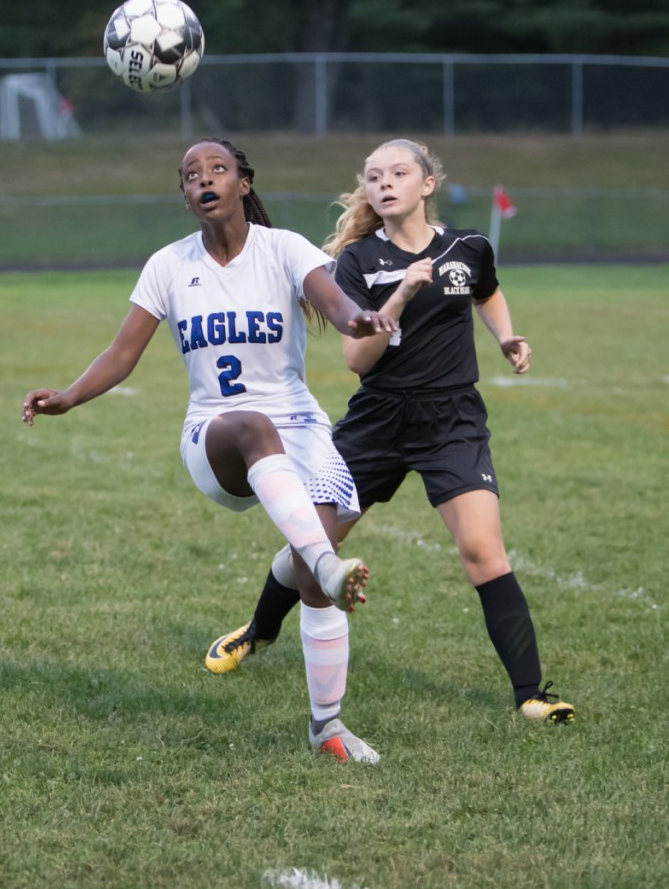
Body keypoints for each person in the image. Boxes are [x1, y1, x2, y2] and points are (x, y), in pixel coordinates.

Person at [22, 136, 402, 763]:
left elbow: (333, 301)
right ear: (186, 195)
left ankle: (327, 727)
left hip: (302, 428)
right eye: (190, 174)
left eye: (217, 169)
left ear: (242, 185)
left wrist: (356, 319)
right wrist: (67, 396)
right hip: (216, 437)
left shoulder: (283, 249)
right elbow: (122, 354)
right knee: (254, 429)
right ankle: (326, 566)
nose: (203, 179)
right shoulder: (169, 265)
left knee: (312, 570)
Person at [207, 138, 575, 726]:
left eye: (399, 173)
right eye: (374, 176)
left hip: (451, 420)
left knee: (483, 551)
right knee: (317, 543)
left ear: (427, 184)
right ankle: (258, 631)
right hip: (377, 421)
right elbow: (358, 359)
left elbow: (485, 290)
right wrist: (401, 293)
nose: (384, 183)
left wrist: (505, 335)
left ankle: (531, 693)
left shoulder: (467, 247)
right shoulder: (355, 261)